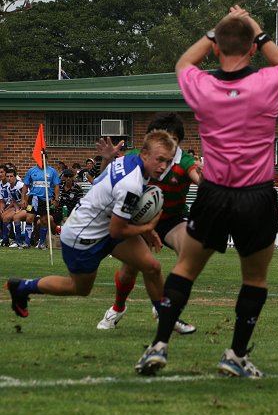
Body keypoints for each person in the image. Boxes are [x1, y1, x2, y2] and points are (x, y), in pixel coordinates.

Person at [135, 5, 278, 378]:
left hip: (213, 193)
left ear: (218, 48)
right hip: (256, 194)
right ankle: (235, 355)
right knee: (254, 279)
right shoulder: (267, 84)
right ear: (253, 48)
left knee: (186, 268)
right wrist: (254, 27)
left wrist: (215, 31)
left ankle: (158, 345)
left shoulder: (203, 86)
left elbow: (183, 63)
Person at [6, 130, 176, 323]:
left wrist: (106, 161)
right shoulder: (132, 184)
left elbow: (102, 184)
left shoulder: (126, 161)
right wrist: (146, 229)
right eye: (160, 159)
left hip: (104, 226)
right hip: (82, 236)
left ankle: (166, 316)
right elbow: (117, 230)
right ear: (144, 154)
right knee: (79, 288)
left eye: (168, 162)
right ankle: (22, 287)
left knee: (151, 266)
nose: (163, 167)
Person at [97, 113, 201, 334]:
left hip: (171, 220)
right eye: (160, 137)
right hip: (138, 221)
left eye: (170, 139)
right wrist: (107, 159)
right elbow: (107, 177)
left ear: (178, 141)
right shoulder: (137, 156)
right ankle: (117, 308)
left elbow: (199, 179)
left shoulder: (185, 162)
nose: (166, 144)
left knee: (190, 250)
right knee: (130, 270)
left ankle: (165, 304)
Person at [20, 157, 61, 249]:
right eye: (40, 159)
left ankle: (41, 243)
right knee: (29, 218)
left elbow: (56, 186)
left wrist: (56, 199)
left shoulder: (52, 171)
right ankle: (27, 242)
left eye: (44, 159)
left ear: (46, 159)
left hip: (46, 199)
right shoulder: (31, 171)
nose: (42, 161)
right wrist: (23, 199)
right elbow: (25, 185)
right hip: (33, 198)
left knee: (44, 220)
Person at [0, 168, 24, 247]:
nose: (9, 178)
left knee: (15, 217)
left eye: (11, 176)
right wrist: (17, 209)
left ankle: (18, 241)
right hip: (18, 206)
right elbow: (14, 200)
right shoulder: (8, 187)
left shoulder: (20, 185)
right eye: (7, 176)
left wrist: (20, 209)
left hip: (27, 206)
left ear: (15, 177)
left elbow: (27, 197)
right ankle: (6, 240)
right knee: (5, 217)